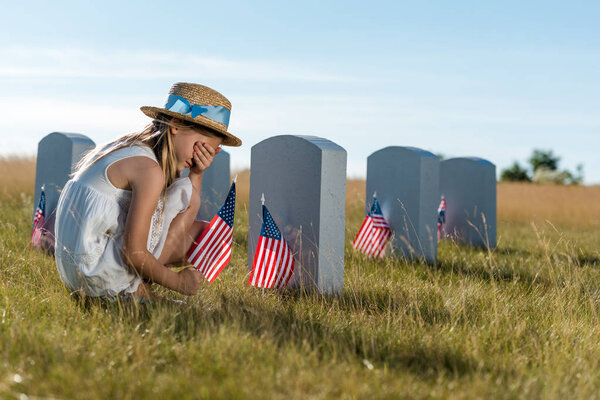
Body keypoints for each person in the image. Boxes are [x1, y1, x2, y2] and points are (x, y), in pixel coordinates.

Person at [54, 82, 242, 302]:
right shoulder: (150, 171)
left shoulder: (130, 147)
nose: (202, 155)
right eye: (201, 146)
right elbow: (133, 253)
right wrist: (179, 283)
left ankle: (135, 285)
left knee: (203, 234)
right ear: (176, 124)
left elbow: (186, 210)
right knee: (190, 211)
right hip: (93, 275)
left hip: (74, 269)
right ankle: (129, 288)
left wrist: (197, 174)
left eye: (211, 151)